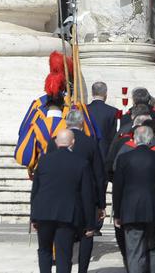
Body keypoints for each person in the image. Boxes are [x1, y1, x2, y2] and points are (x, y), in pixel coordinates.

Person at [44, 109, 105, 273]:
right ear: (82, 123)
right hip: (86, 196)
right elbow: (99, 175)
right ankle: (82, 270)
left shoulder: (54, 142)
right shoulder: (91, 142)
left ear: (67, 123)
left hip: (60, 197)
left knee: (63, 236)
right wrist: (101, 203)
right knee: (87, 233)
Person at [30, 129, 97, 273]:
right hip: (67, 215)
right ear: (73, 143)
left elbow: (35, 190)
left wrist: (33, 216)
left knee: (44, 250)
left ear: (55, 142)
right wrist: (90, 223)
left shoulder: (43, 161)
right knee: (64, 254)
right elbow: (87, 195)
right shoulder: (81, 163)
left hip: (44, 213)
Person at [112, 125, 155, 273]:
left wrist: (117, 213)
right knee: (154, 250)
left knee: (135, 251)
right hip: (154, 210)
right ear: (151, 139)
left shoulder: (124, 158)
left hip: (131, 211)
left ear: (134, 139)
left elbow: (118, 188)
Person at [86, 81, 120, 158]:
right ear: (105, 94)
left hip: (87, 151)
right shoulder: (113, 111)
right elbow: (113, 135)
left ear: (92, 93)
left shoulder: (84, 110)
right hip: (105, 151)